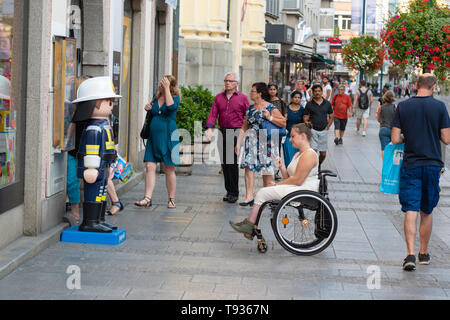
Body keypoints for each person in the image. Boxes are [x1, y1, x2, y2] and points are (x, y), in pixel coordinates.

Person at [391, 74, 450, 271]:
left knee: (411, 208)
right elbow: (447, 138)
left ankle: (409, 254)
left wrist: (409, 135)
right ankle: (423, 253)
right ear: (433, 86)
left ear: (416, 85)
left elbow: (395, 138)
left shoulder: (403, 106)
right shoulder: (440, 107)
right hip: (432, 164)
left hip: (411, 164)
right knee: (427, 209)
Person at [229, 123, 319, 238]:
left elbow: (297, 180)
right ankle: (251, 225)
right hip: (298, 187)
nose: (290, 140)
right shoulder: (298, 154)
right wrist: (281, 167)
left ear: (302, 136)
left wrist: (277, 185)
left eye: (293, 136)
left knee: (263, 192)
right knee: (265, 192)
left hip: (305, 189)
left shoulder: (309, 155)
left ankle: (250, 224)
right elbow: (290, 178)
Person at [71, 76, 122, 233]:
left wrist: (112, 160)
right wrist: (91, 167)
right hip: (96, 167)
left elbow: (108, 146)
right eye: (109, 102)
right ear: (95, 103)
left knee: (100, 193)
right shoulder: (94, 128)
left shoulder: (103, 125)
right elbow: (92, 149)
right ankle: (90, 222)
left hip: (104, 166)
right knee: (93, 194)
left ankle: (99, 219)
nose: (111, 106)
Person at [236, 82, 286, 207]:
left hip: (266, 142)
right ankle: (249, 197)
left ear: (259, 93)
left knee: (267, 171)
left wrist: (270, 118)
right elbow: (244, 126)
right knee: (248, 168)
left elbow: (283, 122)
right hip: (251, 141)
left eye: (253, 91)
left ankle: (268, 198)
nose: (250, 93)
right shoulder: (251, 109)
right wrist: (238, 143)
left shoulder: (270, 107)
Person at [135, 75, 181, 209]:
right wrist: (148, 108)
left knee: (169, 168)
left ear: (170, 86)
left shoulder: (175, 99)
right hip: (154, 138)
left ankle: (171, 199)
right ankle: (147, 198)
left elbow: (171, 107)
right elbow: (154, 113)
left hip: (169, 137)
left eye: (164, 83)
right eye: (161, 83)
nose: (160, 85)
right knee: (150, 166)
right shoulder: (156, 98)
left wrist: (166, 89)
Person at [205, 72, 250, 203]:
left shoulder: (243, 98)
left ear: (237, 84)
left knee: (232, 162)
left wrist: (245, 134)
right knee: (224, 163)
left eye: (230, 81)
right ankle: (229, 191)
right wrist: (209, 129)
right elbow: (213, 114)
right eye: (226, 80)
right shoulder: (219, 98)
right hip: (222, 131)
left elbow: (247, 116)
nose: (227, 83)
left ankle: (234, 192)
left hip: (236, 132)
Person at [64, 76, 90, 225]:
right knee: (72, 181)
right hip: (74, 150)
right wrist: (65, 142)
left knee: (94, 180)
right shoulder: (75, 107)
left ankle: (114, 202)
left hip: (89, 151)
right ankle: (75, 209)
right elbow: (71, 127)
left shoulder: (93, 107)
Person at [303, 85, 334, 170]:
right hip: (313, 131)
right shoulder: (309, 104)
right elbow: (305, 117)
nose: (317, 93)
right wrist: (307, 123)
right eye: (315, 91)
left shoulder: (327, 103)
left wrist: (328, 126)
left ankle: (319, 164)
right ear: (312, 93)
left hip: (324, 130)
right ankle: (314, 167)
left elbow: (331, 116)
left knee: (323, 154)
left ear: (322, 92)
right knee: (313, 152)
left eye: (319, 91)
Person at [268, 82, 287, 180]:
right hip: (266, 129)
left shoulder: (280, 101)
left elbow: (285, 114)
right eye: (270, 89)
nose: (272, 91)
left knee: (276, 150)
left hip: (277, 128)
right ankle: (267, 170)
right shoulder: (265, 101)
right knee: (267, 149)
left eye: (274, 89)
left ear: (276, 90)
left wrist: (283, 124)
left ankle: (276, 171)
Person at [283, 91, 304, 167]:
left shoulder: (302, 109)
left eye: (299, 98)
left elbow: (304, 123)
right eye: (295, 97)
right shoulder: (286, 109)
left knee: (297, 157)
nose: (297, 99)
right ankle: (289, 173)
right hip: (288, 136)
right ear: (291, 98)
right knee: (288, 156)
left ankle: (295, 174)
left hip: (298, 137)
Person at [376, 90, 396, 159]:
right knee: (392, 149)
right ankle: (390, 164)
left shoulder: (380, 107)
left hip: (383, 129)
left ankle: (385, 164)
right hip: (393, 130)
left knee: (384, 149)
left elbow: (378, 119)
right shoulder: (395, 107)